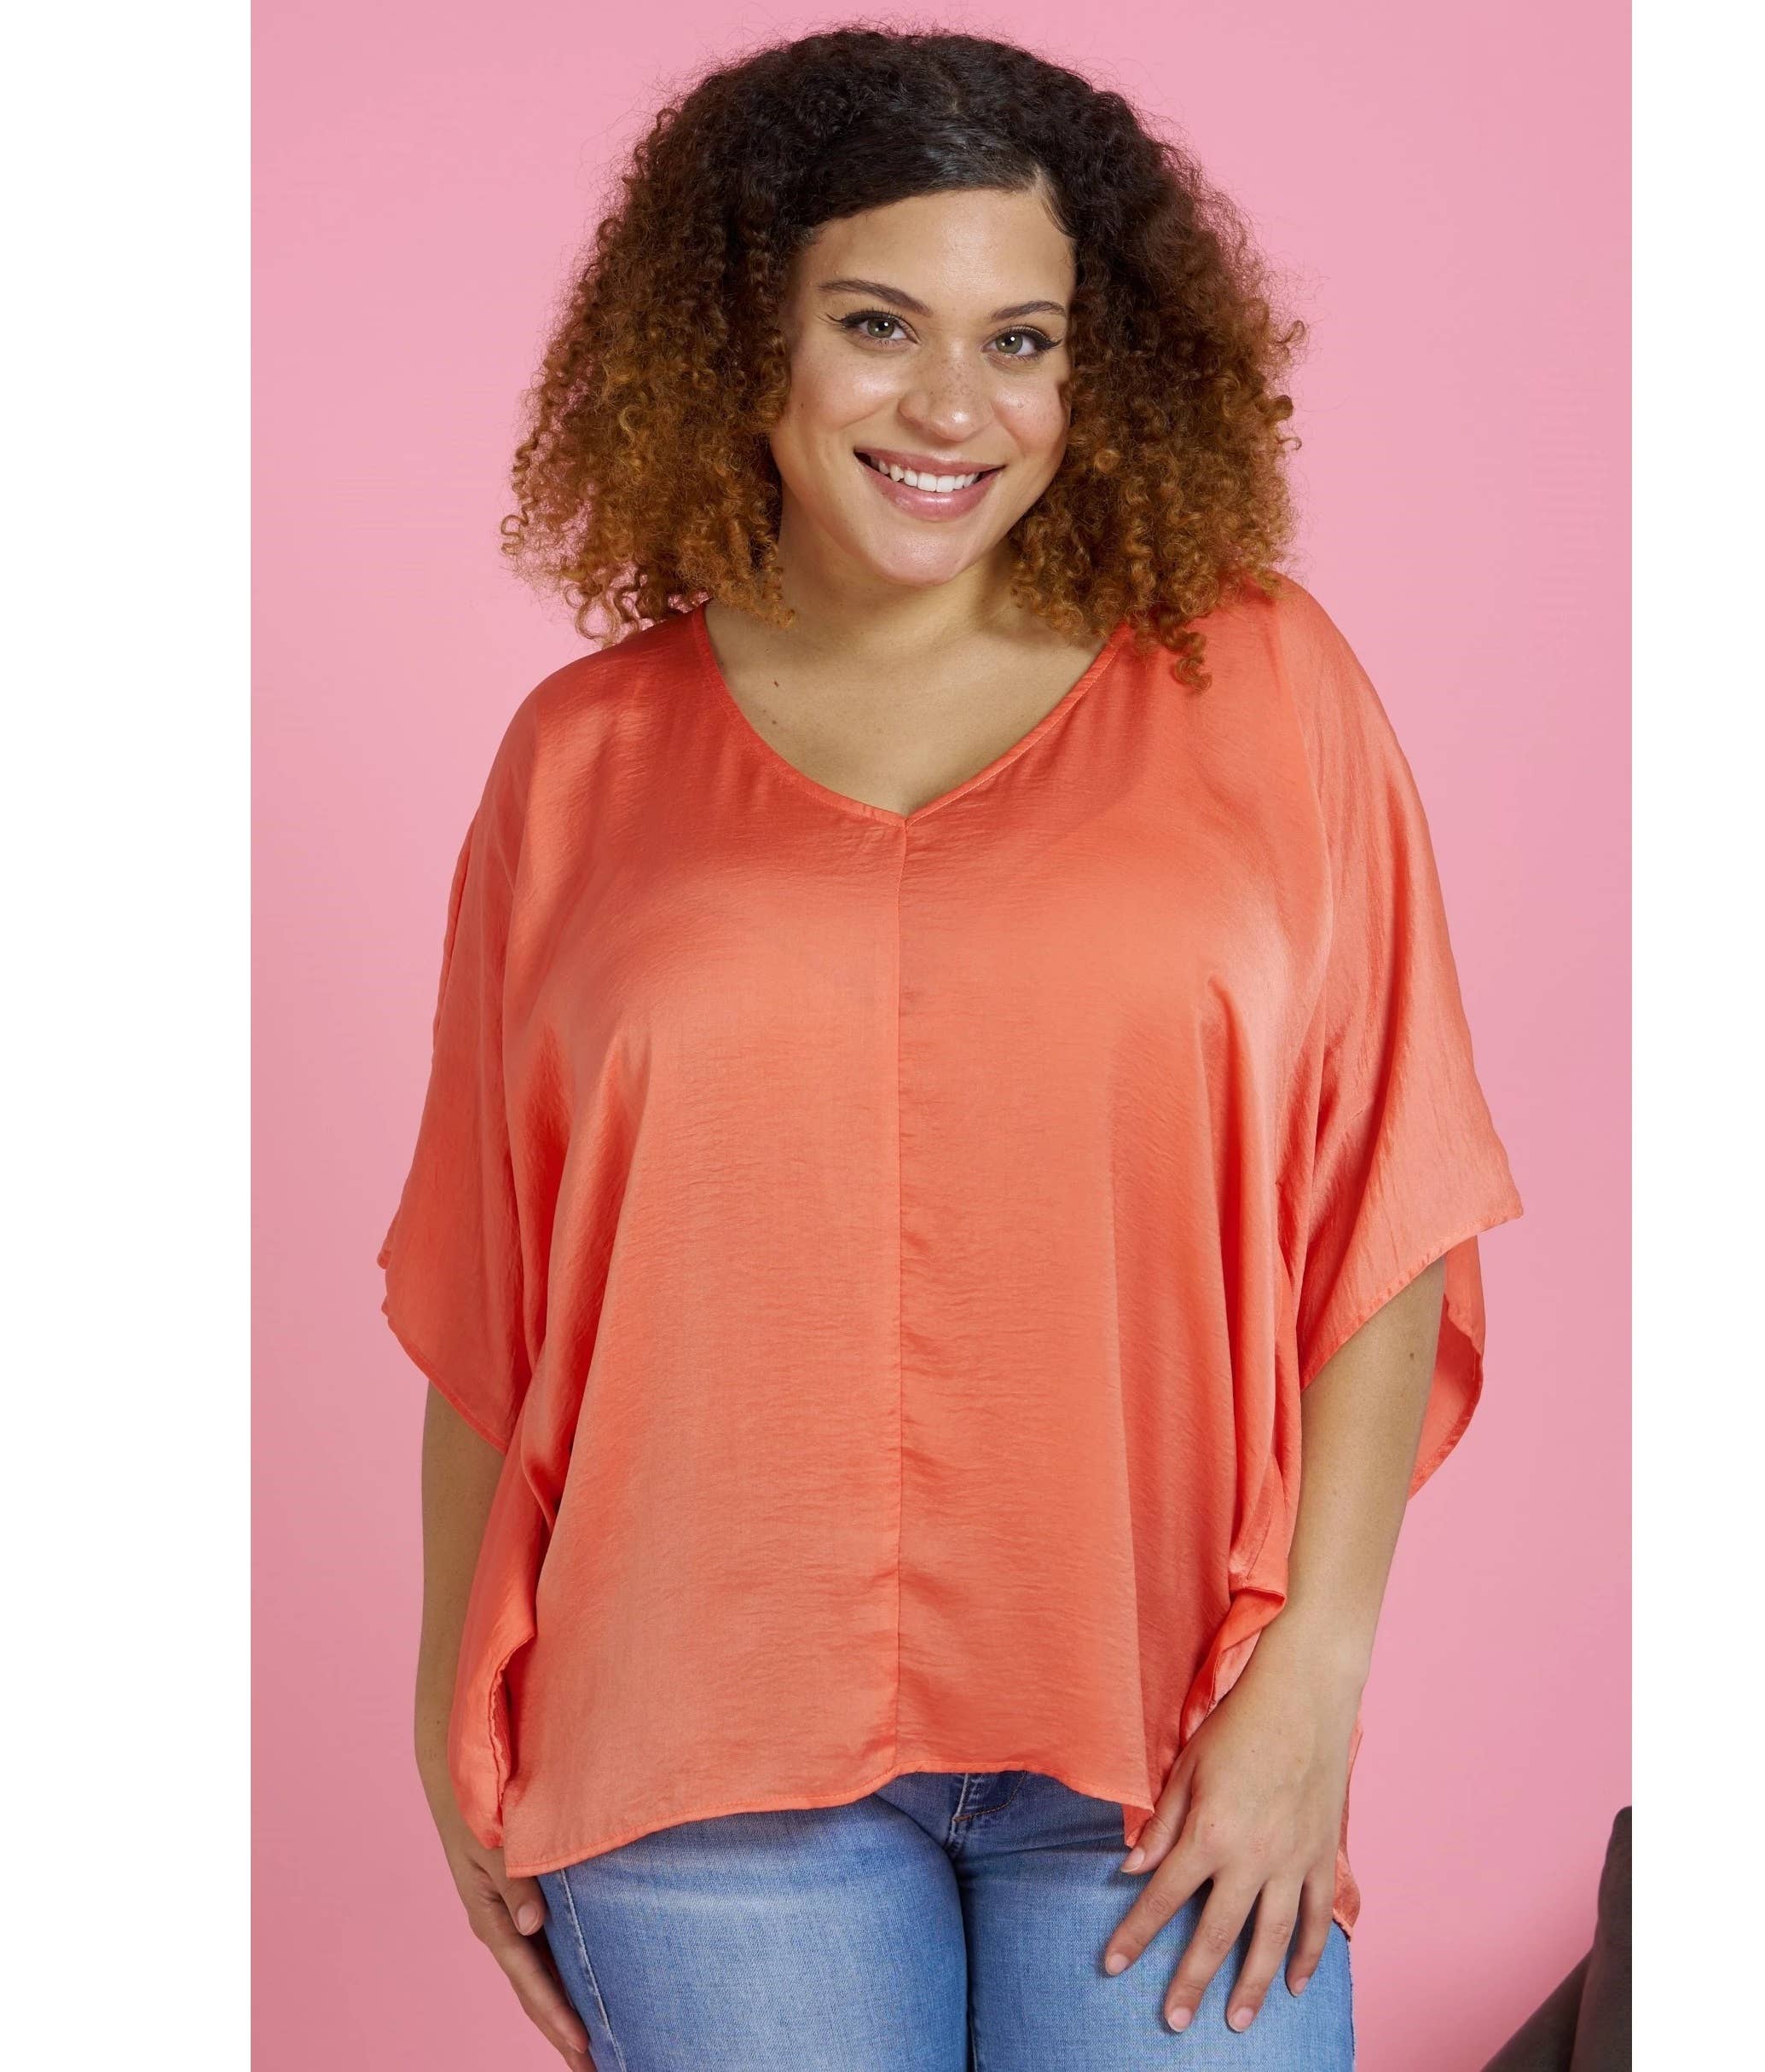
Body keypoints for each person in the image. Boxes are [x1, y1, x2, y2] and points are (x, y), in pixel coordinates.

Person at [377, 26, 1523, 2070]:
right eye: (878, 323)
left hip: (1170, 1731)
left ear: (1104, 370)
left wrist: (1313, 1688)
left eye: (1023, 341)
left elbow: (1391, 1212)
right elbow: (497, 1293)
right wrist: (445, 1714)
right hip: (692, 1753)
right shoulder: (578, 763)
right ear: (744, 338)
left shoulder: (1266, 689)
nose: (952, 406)